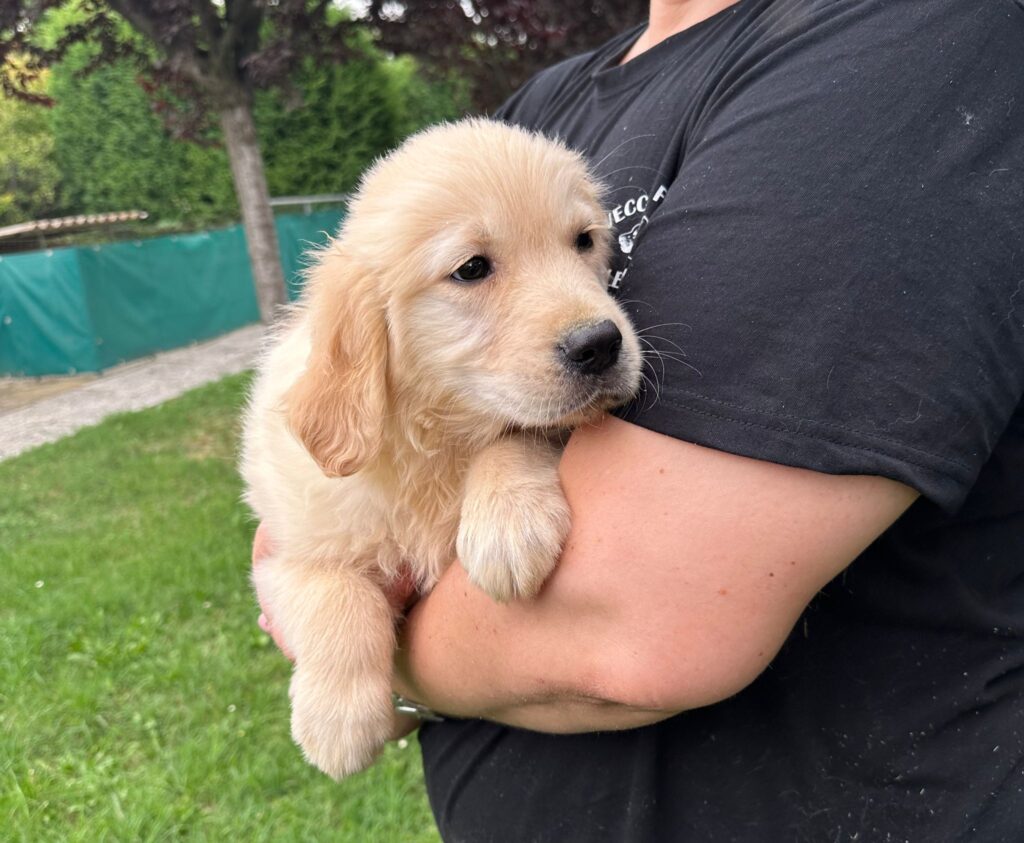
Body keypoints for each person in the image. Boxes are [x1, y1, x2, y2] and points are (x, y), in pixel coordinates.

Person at [255, 0, 1024, 838]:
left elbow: (639, 632)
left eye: (585, 240)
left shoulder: (917, 35)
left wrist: (412, 649)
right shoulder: (543, 106)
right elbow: (292, 546)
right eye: (475, 268)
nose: (588, 317)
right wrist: (340, 631)